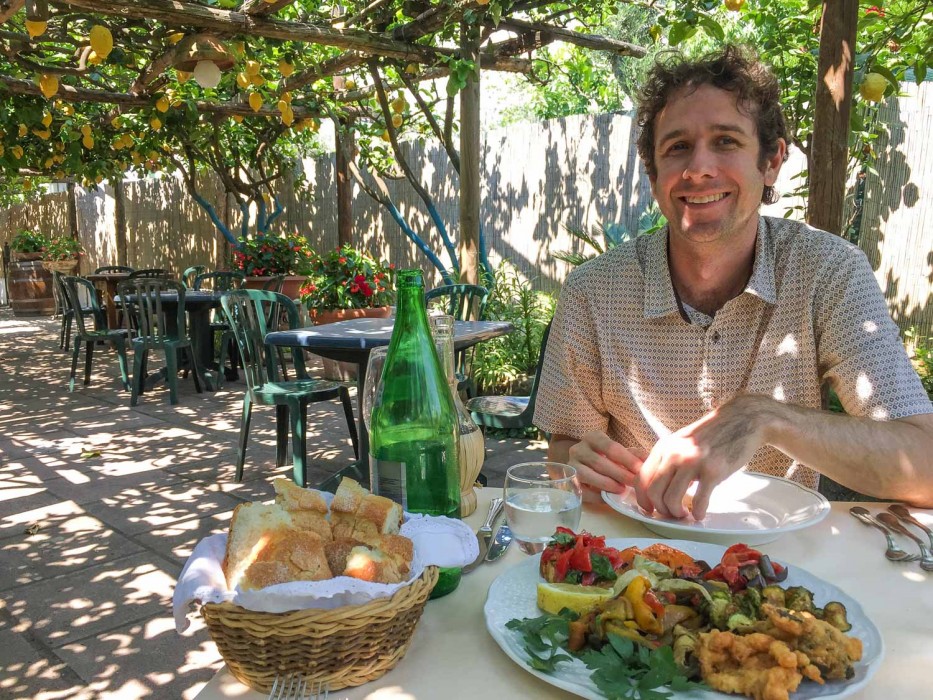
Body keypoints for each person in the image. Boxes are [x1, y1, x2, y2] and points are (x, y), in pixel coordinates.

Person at [534, 45, 933, 520]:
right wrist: (578, 468)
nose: (699, 168)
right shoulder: (591, 292)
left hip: (778, 568)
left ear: (771, 162)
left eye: (725, 141)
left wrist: (762, 417)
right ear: (653, 173)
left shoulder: (829, 271)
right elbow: (565, 456)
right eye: (677, 146)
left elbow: (924, 466)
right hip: (634, 561)